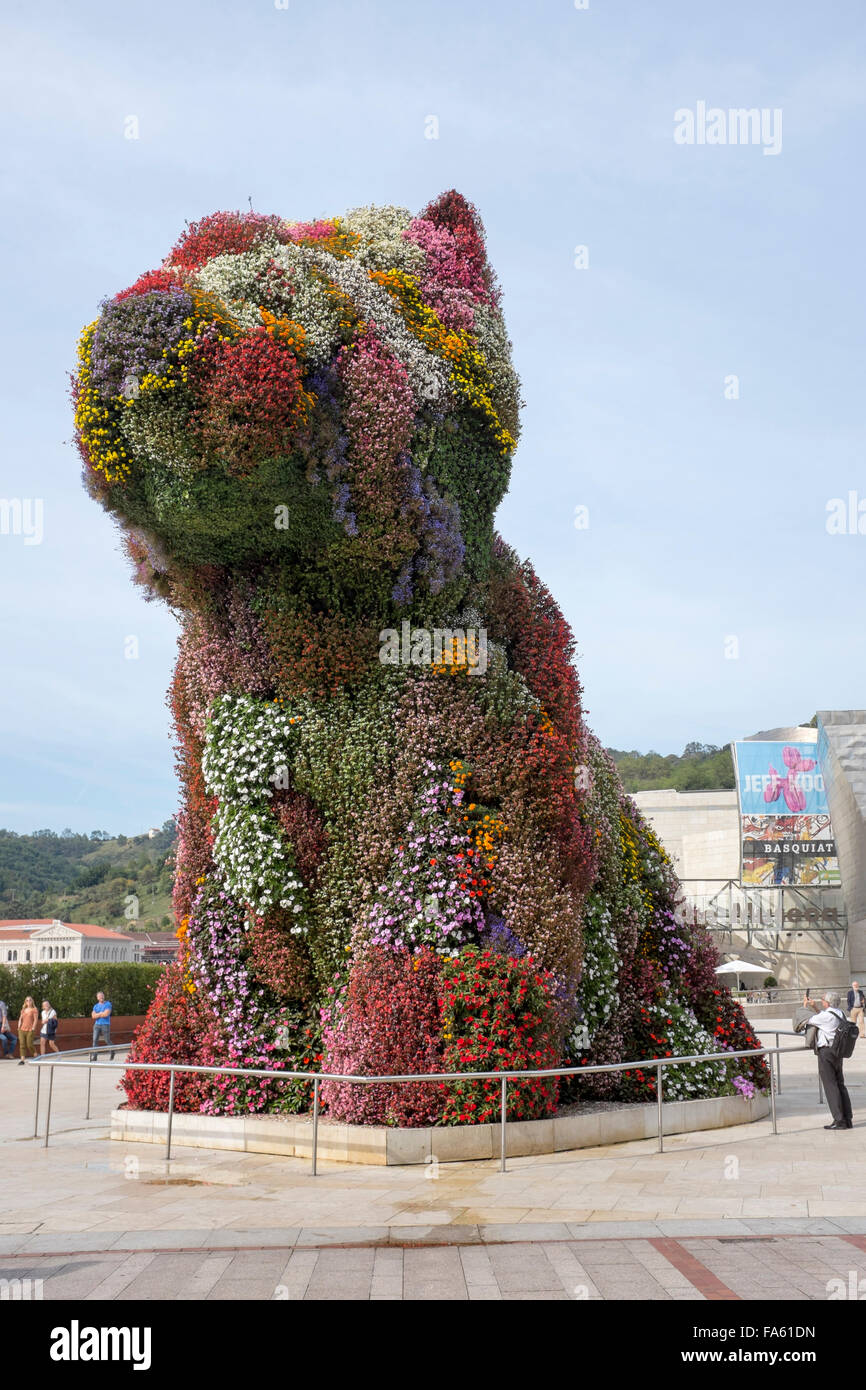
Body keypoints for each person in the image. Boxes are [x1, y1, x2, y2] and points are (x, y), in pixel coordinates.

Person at [804, 991, 853, 1130]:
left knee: (831, 1086)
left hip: (827, 1052)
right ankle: (847, 1119)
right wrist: (815, 1007)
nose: (821, 1001)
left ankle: (839, 1120)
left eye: (822, 999)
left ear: (828, 1002)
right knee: (840, 1084)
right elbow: (824, 1018)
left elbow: (807, 1020)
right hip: (838, 1051)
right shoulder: (840, 1013)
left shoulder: (825, 1016)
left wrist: (805, 1006)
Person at [90, 991, 114, 1061]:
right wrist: (101, 1013)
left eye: (102, 996)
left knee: (107, 1040)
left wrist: (98, 1014)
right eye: (100, 996)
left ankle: (112, 1051)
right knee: (95, 1040)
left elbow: (106, 1014)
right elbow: (93, 1016)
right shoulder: (96, 1006)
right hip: (97, 1025)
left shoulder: (108, 1004)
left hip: (105, 1025)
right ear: (97, 998)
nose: (101, 997)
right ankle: (95, 1056)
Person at [16, 997, 38, 1064]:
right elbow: (20, 1018)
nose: (28, 1001)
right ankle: (22, 1060)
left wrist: (33, 1028)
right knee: (22, 1045)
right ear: (25, 1002)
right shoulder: (23, 1010)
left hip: (30, 1030)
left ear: (32, 1001)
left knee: (29, 1044)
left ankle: (36, 1055)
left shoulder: (34, 1009)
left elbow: (35, 1020)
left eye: (30, 1000)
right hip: (21, 1029)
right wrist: (18, 1026)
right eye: (27, 1000)